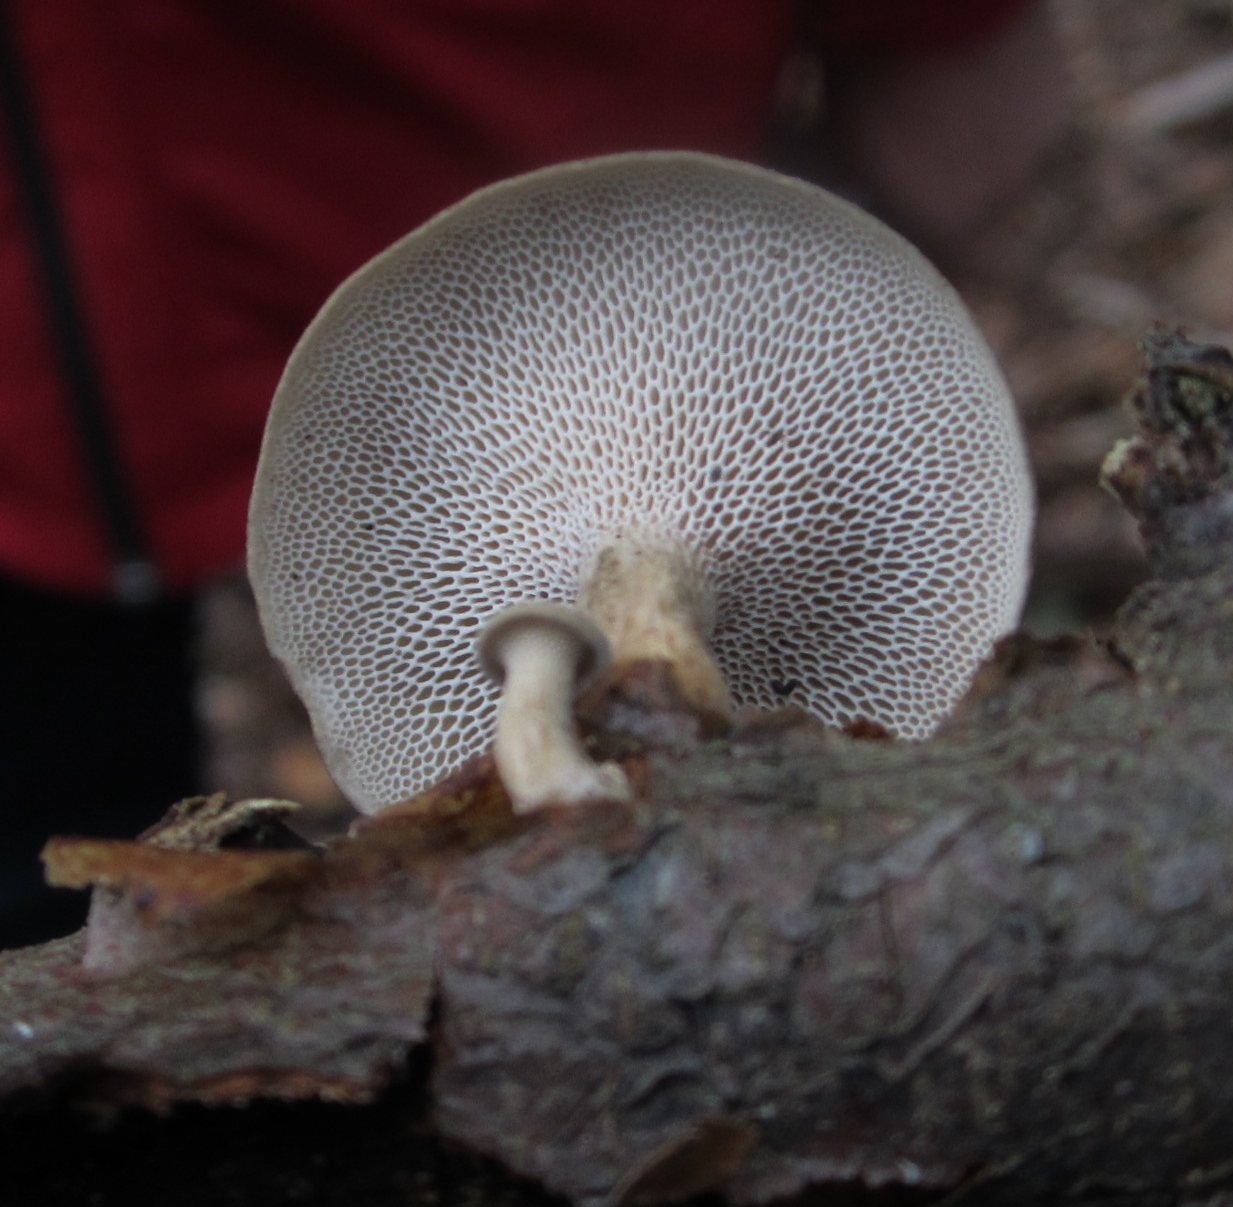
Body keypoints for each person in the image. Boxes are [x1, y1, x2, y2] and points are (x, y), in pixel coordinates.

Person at [0, 0, 1065, 947]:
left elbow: (960, 72)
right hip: (39, 447)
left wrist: (794, 327)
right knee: (62, 878)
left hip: (596, 271)